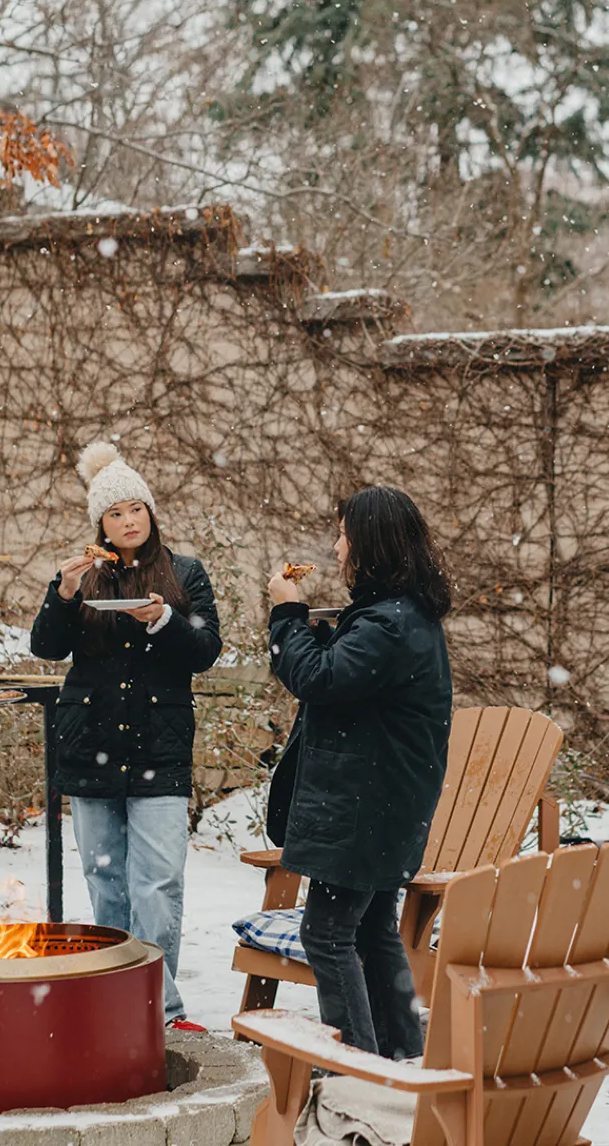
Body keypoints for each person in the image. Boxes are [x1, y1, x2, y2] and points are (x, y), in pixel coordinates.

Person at [30, 442, 222, 1030]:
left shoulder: (185, 573)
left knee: (157, 883)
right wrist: (62, 594)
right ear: (101, 524)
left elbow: (206, 650)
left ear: (151, 513)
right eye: (115, 514)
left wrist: (163, 620)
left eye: (136, 508)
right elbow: (46, 647)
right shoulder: (84, 575)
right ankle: (112, 999)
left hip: (159, 749)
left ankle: (159, 1008)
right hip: (90, 743)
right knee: (105, 880)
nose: (128, 520)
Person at [266, 485, 452, 1060]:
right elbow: (349, 682)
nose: (336, 546)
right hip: (382, 807)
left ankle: (355, 1078)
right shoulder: (397, 615)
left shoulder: (389, 623)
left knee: (325, 935)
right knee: (371, 931)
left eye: (344, 535)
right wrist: (325, 634)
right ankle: (400, 1060)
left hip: (362, 812)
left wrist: (286, 614)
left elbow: (320, 681)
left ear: (370, 544)